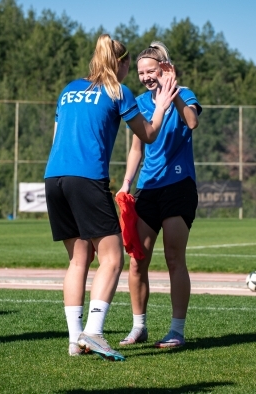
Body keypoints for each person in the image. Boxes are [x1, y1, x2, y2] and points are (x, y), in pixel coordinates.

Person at [45, 34, 178, 361]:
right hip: (86, 178)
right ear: (120, 63)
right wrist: (160, 107)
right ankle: (95, 331)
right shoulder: (118, 90)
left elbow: (56, 135)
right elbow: (147, 134)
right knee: (113, 258)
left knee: (79, 260)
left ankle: (75, 340)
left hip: (54, 178)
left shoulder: (68, 90)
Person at [116, 42, 201, 349]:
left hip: (178, 187)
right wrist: (127, 183)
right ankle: (139, 326)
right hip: (147, 188)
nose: (145, 77)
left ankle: (177, 330)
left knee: (174, 259)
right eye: (140, 72)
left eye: (151, 70)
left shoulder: (185, 93)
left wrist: (173, 93)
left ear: (164, 68)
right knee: (137, 260)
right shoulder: (139, 101)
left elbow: (192, 122)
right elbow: (138, 145)